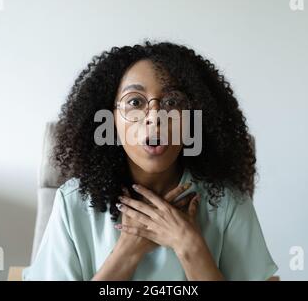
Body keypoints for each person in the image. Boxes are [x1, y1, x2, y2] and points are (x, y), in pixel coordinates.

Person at [22, 41, 278, 281]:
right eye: (135, 102)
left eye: (172, 102)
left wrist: (189, 246)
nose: (154, 117)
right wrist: (127, 252)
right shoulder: (73, 203)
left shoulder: (228, 202)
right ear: (110, 119)